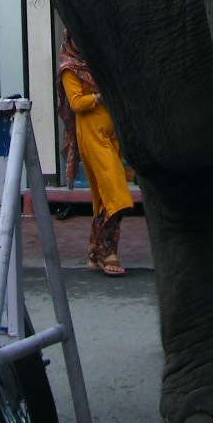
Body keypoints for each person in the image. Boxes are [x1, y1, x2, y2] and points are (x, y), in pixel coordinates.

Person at [56, 30, 134, 276]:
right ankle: (107, 251)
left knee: (104, 198)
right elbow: (77, 103)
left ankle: (95, 250)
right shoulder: (69, 68)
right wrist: (102, 95)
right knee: (117, 196)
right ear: (70, 40)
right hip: (92, 136)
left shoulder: (98, 63)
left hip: (111, 135)